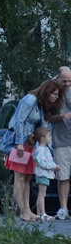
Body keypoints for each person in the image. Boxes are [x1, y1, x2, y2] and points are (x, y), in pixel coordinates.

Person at [5, 79, 62, 221]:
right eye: (54, 94)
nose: (55, 97)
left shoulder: (40, 106)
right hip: (20, 143)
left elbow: (41, 128)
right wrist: (19, 143)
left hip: (30, 143)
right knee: (19, 177)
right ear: (46, 91)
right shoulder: (30, 100)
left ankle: (28, 210)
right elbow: (19, 120)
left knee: (27, 178)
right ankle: (22, 211)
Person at [52, 66, 71, 220]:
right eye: (64, 81)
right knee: (63, 176)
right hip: (61, 140)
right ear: (57, 78)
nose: (67, 84)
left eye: (70, 81)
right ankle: (63, 208)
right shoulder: (52, 93)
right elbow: (47, 117)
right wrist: (61, 116)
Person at [32, 126, 58, 221]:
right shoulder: (40, 150)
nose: (50, 138)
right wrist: (54, 166)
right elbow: (41, 163)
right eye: (49, 136)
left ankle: (39, 213)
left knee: (41, 194)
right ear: (42, 138)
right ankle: (43, 213)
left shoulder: (45, 149)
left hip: (44, 174)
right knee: (42, 194)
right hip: (42, 174)